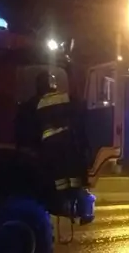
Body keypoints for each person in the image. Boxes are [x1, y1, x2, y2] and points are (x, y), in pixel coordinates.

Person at [16, 70, 94, 224]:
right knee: (75, 181)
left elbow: (28, 128)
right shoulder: (65, 98)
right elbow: (80, 116)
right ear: (53, 84)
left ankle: (65, 206)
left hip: (50, 149)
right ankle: (83, 211)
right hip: (69, 146)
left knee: (59, 182)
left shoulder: (35, 103)